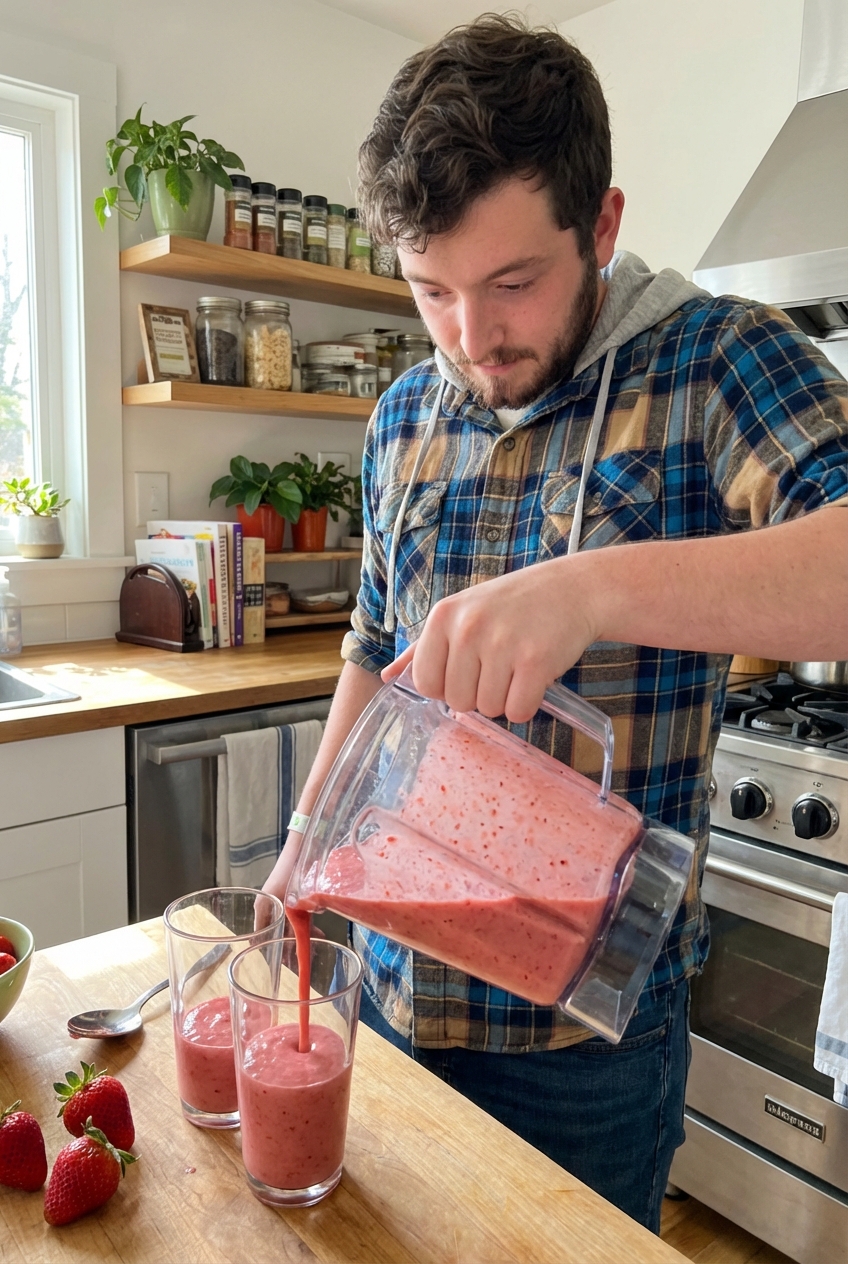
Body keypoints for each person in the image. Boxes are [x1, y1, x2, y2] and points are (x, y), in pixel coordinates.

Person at [263, 14, 848, 1231]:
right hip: (390, 983)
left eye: (512, 282)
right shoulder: (402, 415)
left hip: (583, 1042)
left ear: (602, 225)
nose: (471, 339)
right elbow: (372, 647)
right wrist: (305, 840)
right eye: (431, 291)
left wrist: (590, 587)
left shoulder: (711, 363)